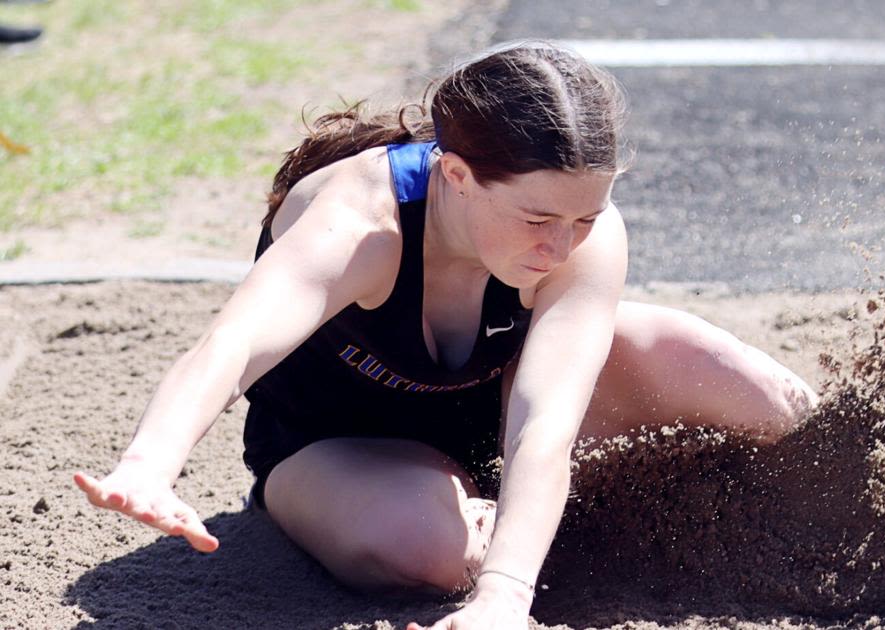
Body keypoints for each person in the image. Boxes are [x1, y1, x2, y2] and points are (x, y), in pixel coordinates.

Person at [73, 41, 819, 629]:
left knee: (766, 400)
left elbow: (543, 426)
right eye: (537, 221)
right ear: (456, 176)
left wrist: (505, 595)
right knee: (428, 548)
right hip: (337, 452)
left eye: (584, 220)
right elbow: (228, 349)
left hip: (492, 420)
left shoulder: (582, 237)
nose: (562, 248)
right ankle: (510, 527)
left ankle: (535, 525)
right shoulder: (360, 224)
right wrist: (149, 465)